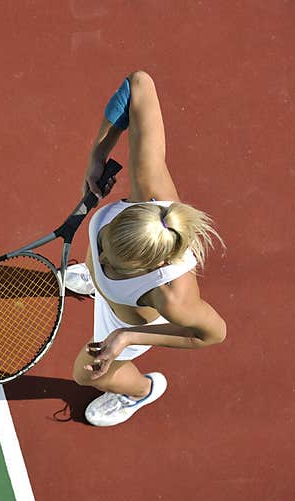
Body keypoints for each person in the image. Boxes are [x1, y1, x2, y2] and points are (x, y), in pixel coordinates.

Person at [66, 71, 227, 427]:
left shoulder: (171, 298)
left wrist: (125, 337)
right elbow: (139, 84)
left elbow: (213, 334)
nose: (100, 254)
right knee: (100, 273)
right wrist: (98, 154)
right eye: (105, 241)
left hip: (122, 318)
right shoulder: (150, 191)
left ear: (148, 269)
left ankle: (139, 391)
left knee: (88, 375)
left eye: (110, 261)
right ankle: (98, 284)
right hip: (119, 293)